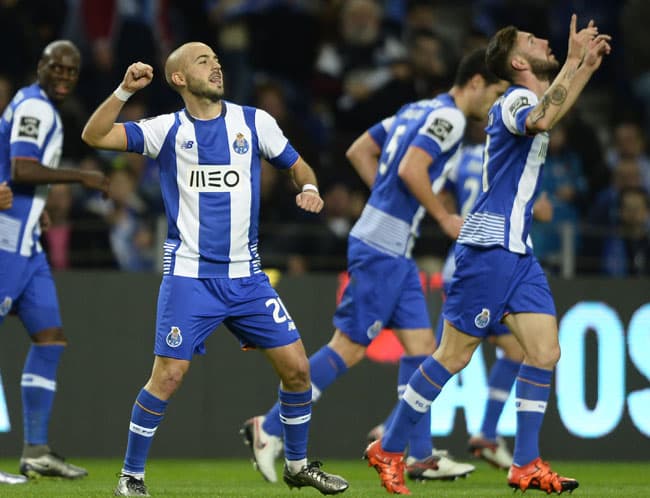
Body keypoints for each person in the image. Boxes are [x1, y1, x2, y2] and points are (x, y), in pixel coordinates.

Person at [81, 42, 349, 497]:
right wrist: (124, 91)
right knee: (167, 376)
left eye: (217, 60)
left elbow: (298, 165)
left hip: (247, 278)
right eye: (203, 61)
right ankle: (130, 477)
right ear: (180, 78)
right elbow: (95, 135)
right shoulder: (166, 130)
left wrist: (308, 186)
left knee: (298, 370)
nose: (216, 65)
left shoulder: (254, 122)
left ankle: (298, 464)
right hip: (189, 277)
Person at [365, 15, 611, 495]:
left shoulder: (531, 97)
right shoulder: (516, 99)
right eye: (532, 40)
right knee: (452, 357)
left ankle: (525, 463)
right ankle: (390, 447)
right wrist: (577, 62)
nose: (544, 40)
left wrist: (584, 66)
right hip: (489, 247)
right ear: (519, 62)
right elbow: (543, 117)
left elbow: (552, 112)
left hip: (517, 251)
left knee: (543, 352)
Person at [241, 49, 507, 484]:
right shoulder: (453, 119)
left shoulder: (417, 108)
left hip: (391, 247)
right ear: (476, 81)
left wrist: (386, 198)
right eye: (495, 93)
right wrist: (441, 216)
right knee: (348, 347)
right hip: (382, 247)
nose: (493, 105)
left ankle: (419, 455)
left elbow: (360, 149)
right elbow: (410, 168)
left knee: (422, 348)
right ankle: (268, 427)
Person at [0, 39, 109, 480]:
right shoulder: (35, 108)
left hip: (27, 245)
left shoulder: (39, 105)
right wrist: (80, 176)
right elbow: (22, 168)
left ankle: (36, 449)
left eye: (71, 70)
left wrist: (38, 203)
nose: (64, 76)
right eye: (56, 68)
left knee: (50, 338)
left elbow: (17, 175)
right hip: (5, 242)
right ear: (40, 66)